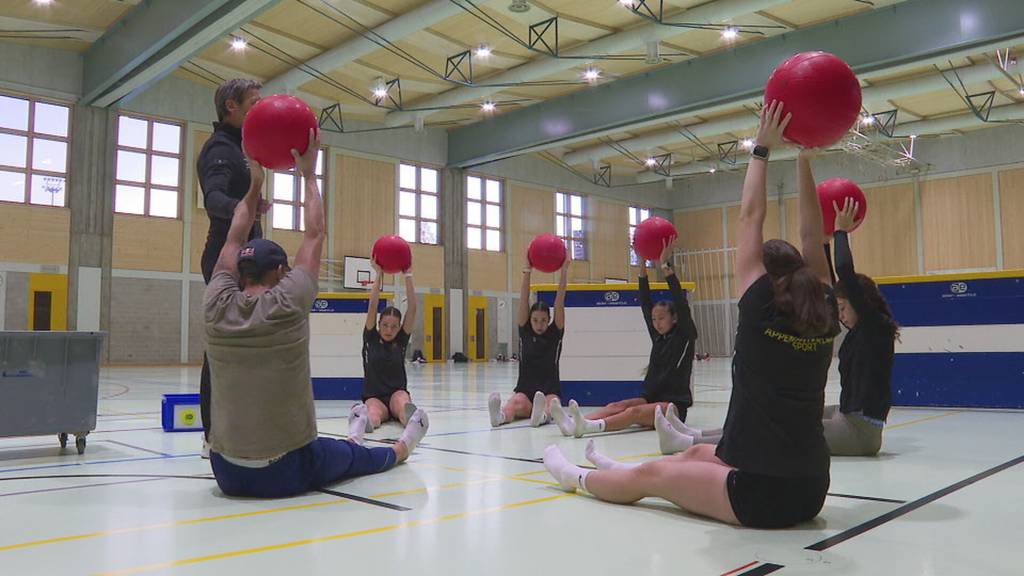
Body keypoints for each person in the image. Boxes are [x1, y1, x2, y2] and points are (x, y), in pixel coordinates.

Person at [544, 101, 839, 529]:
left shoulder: (759, 308)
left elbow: (750, 216)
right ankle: (618, 468)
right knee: (699, 452)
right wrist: (805, 155)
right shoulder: (824, 311)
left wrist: (765, 148)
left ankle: (577, 477)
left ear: (765, 275)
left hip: (761, 494)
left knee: (652, 478)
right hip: (812, 486)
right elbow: (814, 235)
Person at [204, 130, 428, 498]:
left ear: (239, 273)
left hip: (225, 471)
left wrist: (255, 183)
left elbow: (233, 237)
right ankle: (401, 449)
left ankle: (361, 434)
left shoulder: (215, 302)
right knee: (356, 457)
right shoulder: (288, 300)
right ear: (281, 271)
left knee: (340, 446)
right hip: (285, 470)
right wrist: (309, 173)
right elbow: (314, 233)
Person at [551, 239, 697, 438]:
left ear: (675, 318)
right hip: (651, 399)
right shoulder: (658, 336)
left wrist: (665, 265)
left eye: (662, 318)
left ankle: (589, 427)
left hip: (673, 408)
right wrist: (642, 264)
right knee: (617, 405)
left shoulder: (685, 334)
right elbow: (645, 301)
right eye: (654, 319)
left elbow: (680, 301)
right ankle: (572, 422)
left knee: (633, 412)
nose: (656, 323)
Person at [196, 78, 269, 456]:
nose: (260, 109)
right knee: (222, 347)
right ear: (231, 106)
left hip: (248, 256)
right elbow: (213, 199)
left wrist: (253, 205)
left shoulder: (244, 148)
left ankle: (243, 425)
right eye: (253, 103)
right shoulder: (220, 149)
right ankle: (212, 435)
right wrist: (243, 208)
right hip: (225, 258)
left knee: (249, 344)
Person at [822, 197, 897, 456]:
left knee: (780, 430)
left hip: (859, 432)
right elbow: (833, 281)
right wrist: (824, 243)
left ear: (859, 301)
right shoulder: (859, 332)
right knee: (789, 413)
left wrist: (840, 231)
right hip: (847, 417)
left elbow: (844, 269)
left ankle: (708, 447)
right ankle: (706, 437)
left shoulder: (875, 327)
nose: (840, 315)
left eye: (843, 307)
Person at [488, 252, 569, 429]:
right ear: (530, 320)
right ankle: (500, 417)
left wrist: (564, 271)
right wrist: (527, 270)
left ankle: (540, 417)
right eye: (535, 320)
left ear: (549, 320)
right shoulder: (524, 331)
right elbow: (524, 298)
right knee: (515, 403)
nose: (539, 324)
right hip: (526, 390)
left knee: (553, 404)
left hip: (549, 390)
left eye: (543, 320)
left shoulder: (555, 333)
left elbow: (560, 300)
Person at [348, 261, 418, 440]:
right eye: (385, 325)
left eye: (394, 327)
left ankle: (409, 418)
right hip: (374, 397)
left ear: (399, 328)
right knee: (373, 413)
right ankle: (364, 420)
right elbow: (373, 306)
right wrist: (378, 274)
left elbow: (412, 308)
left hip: (396, 393)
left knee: (402, 403)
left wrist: (408, 275)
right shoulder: (370, 337)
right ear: (378, 324)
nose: (389, 330)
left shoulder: (401, 341)